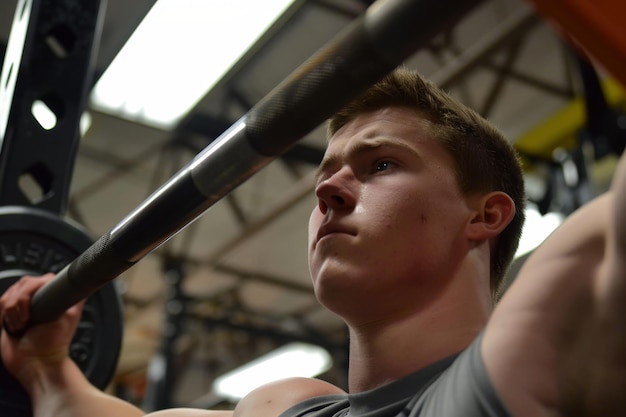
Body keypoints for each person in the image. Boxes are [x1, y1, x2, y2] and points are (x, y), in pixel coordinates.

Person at [1, 66, 625, 417]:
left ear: (485, 216)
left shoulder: (528, 359)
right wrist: (46, 365)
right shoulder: (291, 410)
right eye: (327, 174)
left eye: (381, 164)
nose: (329, 192)